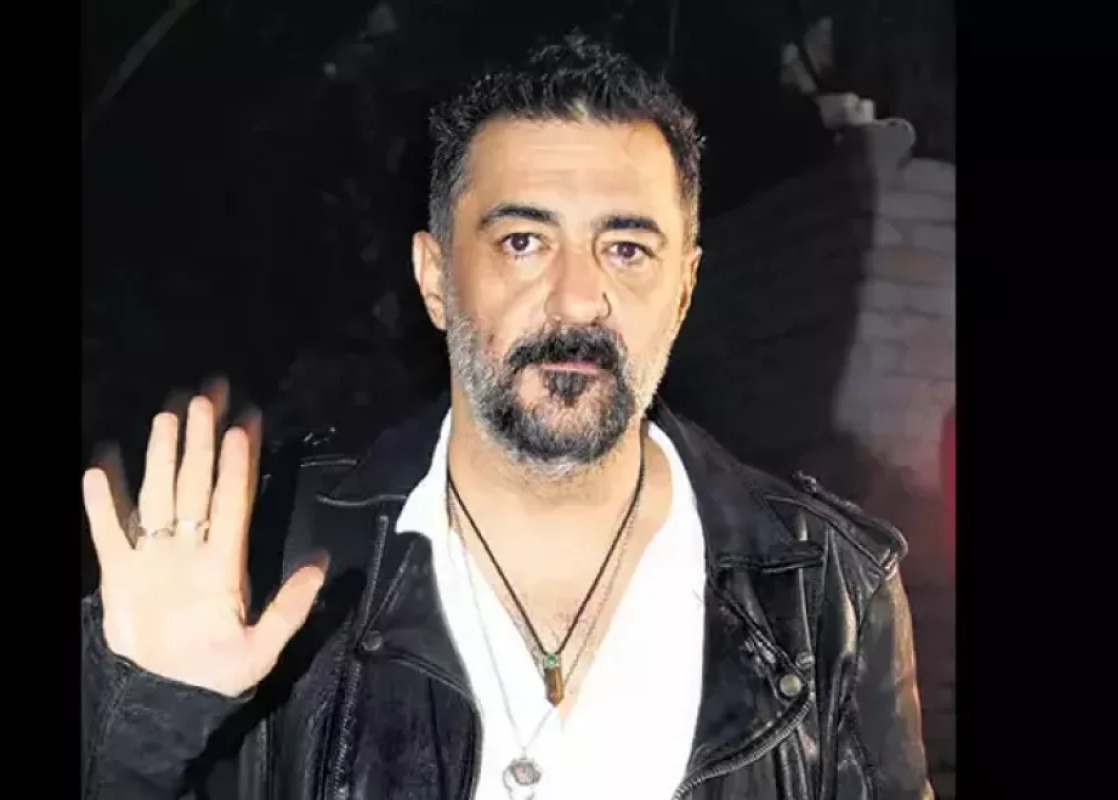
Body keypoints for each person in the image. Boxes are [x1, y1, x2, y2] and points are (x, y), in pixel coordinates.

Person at [81, 34, 931, 800]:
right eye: (523, 242)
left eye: (627, 249)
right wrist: (148, 722)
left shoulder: (829, 591)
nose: (578, 299)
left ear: (683, 289)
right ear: (435, 279)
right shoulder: (263, 554)